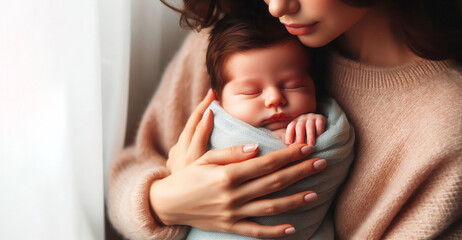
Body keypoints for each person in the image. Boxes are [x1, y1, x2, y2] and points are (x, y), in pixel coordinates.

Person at [107, 0, 462, 239]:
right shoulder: (238, 44)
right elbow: (127, 173)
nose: (277, 6)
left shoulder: (443, 125)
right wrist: (161, 202)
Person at [185, 15, 354, 239]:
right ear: (219, 99)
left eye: (294, 85)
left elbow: (333, 150)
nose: (275, 99)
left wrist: (316, 125)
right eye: (251, 91)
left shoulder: (321, 121)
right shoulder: (214, 127)